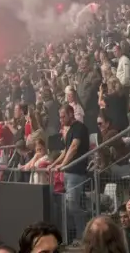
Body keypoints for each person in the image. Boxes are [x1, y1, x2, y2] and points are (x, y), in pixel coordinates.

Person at [52, 103, 91, 241]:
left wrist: (63, 164)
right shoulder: (69, 130)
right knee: (69, 206)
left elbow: (74, 147)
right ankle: (80, 235)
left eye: (63, 117)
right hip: (68, 173)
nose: (61, 120)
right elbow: (66, 151)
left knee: (72, 205)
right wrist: (54, 164)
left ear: (71, 114)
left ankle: (85, 229)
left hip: (76, 172)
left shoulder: (80, 128)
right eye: (60, 117)